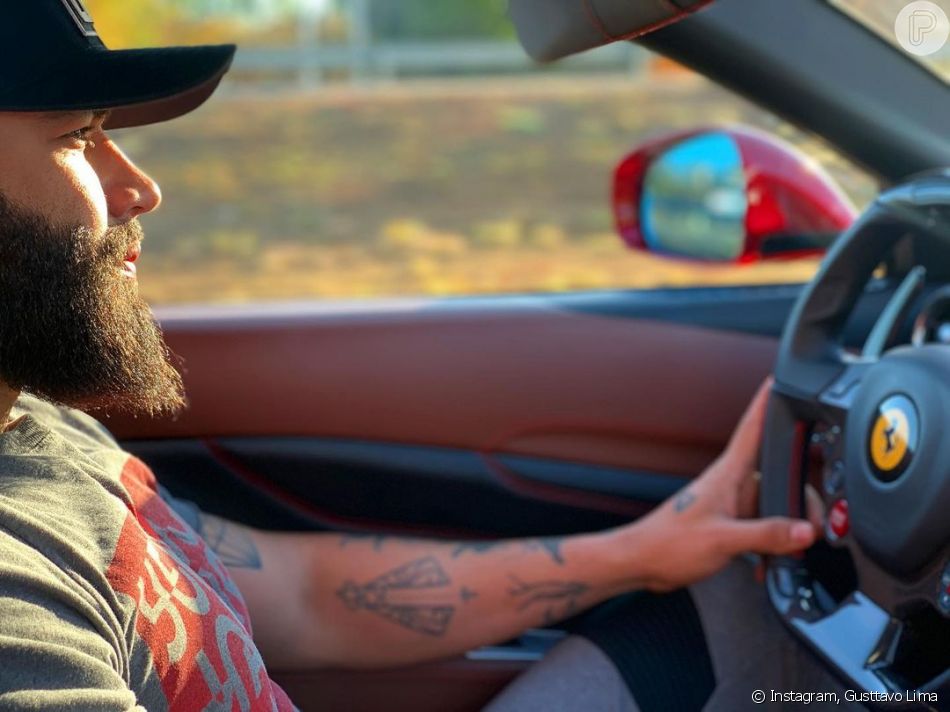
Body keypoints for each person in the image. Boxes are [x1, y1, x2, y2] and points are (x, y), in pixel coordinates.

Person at [0, 2, 859, 711]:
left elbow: (305, 599)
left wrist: (646, 550)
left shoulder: (41, 424)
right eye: (76, 136)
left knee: (737, 603)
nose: (140, 188)